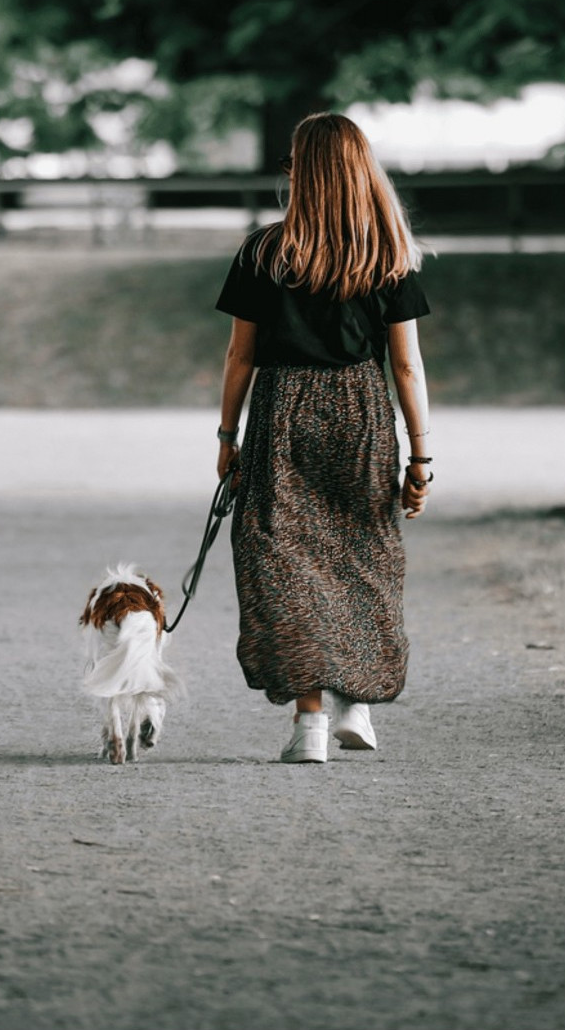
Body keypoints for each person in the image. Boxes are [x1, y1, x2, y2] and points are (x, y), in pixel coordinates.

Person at [215, 112, 432, 764]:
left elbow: (239, 358)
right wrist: (421, 456)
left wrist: (227, 434)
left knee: (280, 557)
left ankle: (310, 720)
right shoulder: (388, 254)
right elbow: (407, 366)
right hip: (361, 410)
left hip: (282, 411)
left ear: (301, 173)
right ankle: (355, 705)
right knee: (362, 553)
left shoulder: (264, 252)